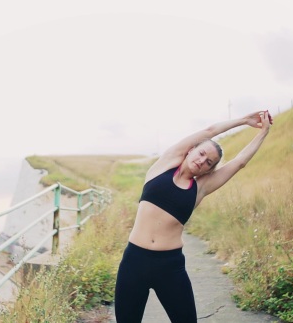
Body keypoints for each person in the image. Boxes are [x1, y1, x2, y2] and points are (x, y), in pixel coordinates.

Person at [114, 110, 273, 323]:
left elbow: (239, 162)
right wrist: (244, 120)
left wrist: (263, 132)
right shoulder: (164, 165)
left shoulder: (200, 188)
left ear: (209, 170)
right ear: (190, 150)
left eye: (209, 162)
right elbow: (210, 130)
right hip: (134, 261)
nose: (202, 161)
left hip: (169, 266)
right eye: (201, 153)